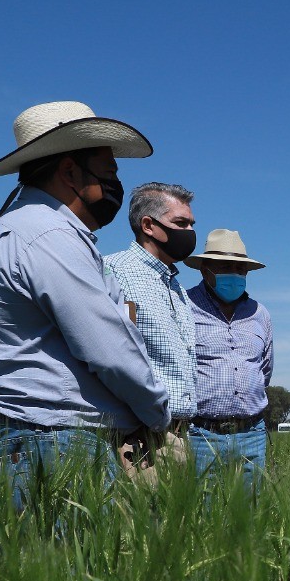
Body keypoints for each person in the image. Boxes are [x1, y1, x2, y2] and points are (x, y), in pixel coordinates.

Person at [0, 101, 170, 511]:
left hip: (46, 439)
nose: (117, 182)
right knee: (71, 568)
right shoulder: (48, 233)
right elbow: (108, 348)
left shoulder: (34, 228)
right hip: (56, 440)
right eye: (109, 171)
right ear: (70, 172)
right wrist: (158, 413)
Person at [104, 183, 199, 476]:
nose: (189, 232)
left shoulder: (175, 286)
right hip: (139, 437)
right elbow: (112, 355)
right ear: (148, 225)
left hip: (179, 433)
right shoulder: (114, 271)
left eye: (191, 225)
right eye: (180, 223)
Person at [184, 229, 274, 489]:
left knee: (251, 515)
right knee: (204, 512)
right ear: (205, 269)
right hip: (201, 434)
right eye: (225, 267)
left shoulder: (260, 314)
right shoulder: (184, 306)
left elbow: (265, 369)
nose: (234, 274)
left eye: (240, 269)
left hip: (252, 433)